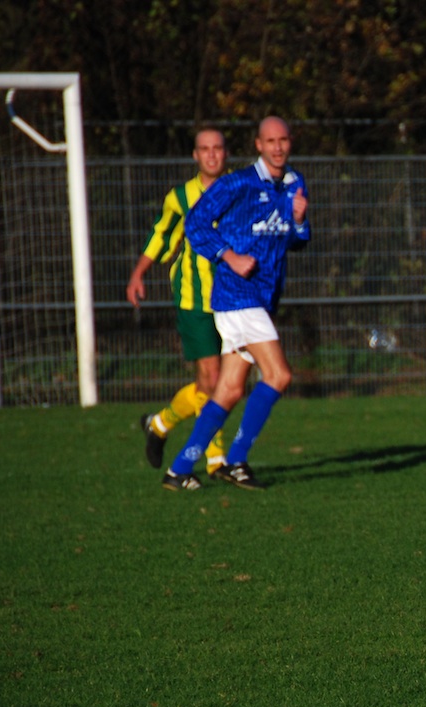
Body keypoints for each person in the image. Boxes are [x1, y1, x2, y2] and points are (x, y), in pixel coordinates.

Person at [159, 116, 310, 491]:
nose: (278, 147)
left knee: (229, 390)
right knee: (278, 375)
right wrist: (229, 256)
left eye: (283, 140)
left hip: (262, 298)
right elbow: (195, 223)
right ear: (258, 145)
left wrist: (299, 221)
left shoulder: (294, 184)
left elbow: (296, 240)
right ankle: (238, 458)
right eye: (270, 141)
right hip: (236, 295)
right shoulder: (237, 183)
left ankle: (179, 469)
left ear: (291, 142)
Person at [127, 128, 231, 475]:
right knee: (212, 380)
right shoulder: (181, 197)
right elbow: (162, 236)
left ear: (226, 153)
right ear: (195, 155)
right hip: (194, 300)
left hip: (235, 300)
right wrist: (138, 273)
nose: (212, 155)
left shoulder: (242, 189)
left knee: (221, 384)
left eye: (217, 148)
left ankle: (159, 424)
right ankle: (216, 461)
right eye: (205, 149)